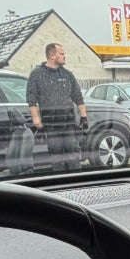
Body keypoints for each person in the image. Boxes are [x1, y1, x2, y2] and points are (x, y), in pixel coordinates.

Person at [26, 42, 88, 170]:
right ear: (52, 56)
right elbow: (31, 98)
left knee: (73, 156)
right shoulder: (37, 74)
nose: (64, 56)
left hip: (69, 123)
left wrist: (84, 117)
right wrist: (36, 119)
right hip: (51, 124)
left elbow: (78, 97)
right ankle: (60, 179)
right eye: (62, 54)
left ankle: (77, 179)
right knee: (56, 156)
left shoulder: (67, 75)